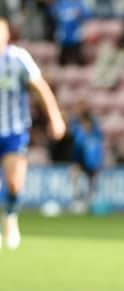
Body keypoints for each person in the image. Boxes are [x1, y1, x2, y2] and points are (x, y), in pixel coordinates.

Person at [0, 18, 65, 250]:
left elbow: (40, 88)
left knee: (14, 184)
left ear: (7, 35)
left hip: (14, 130)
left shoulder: (18, 58)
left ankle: (10, 218)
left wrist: (55, 117)